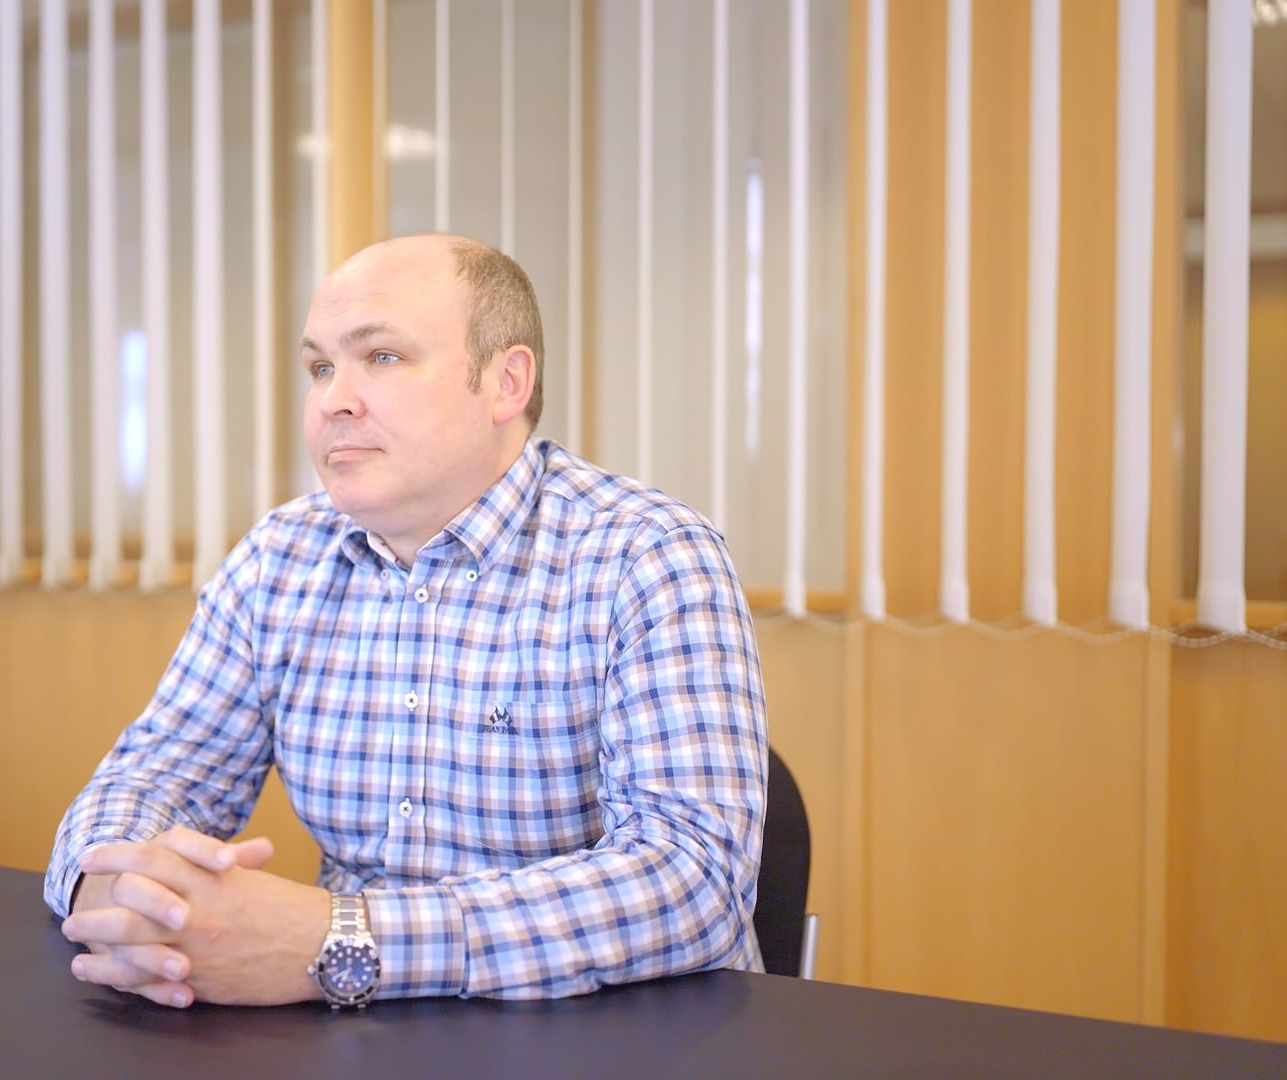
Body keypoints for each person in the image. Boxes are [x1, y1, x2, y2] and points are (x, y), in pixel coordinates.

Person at [46, 233, 767, 1009]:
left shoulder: (649, 555)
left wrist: (343, 937)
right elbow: (159, 773)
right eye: (321, 367)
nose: (332, 400)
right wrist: (113, 883)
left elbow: (692, 880)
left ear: (504, 383)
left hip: (609, 1037)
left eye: (381, 358)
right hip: (349, 1033)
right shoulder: (281, 556)